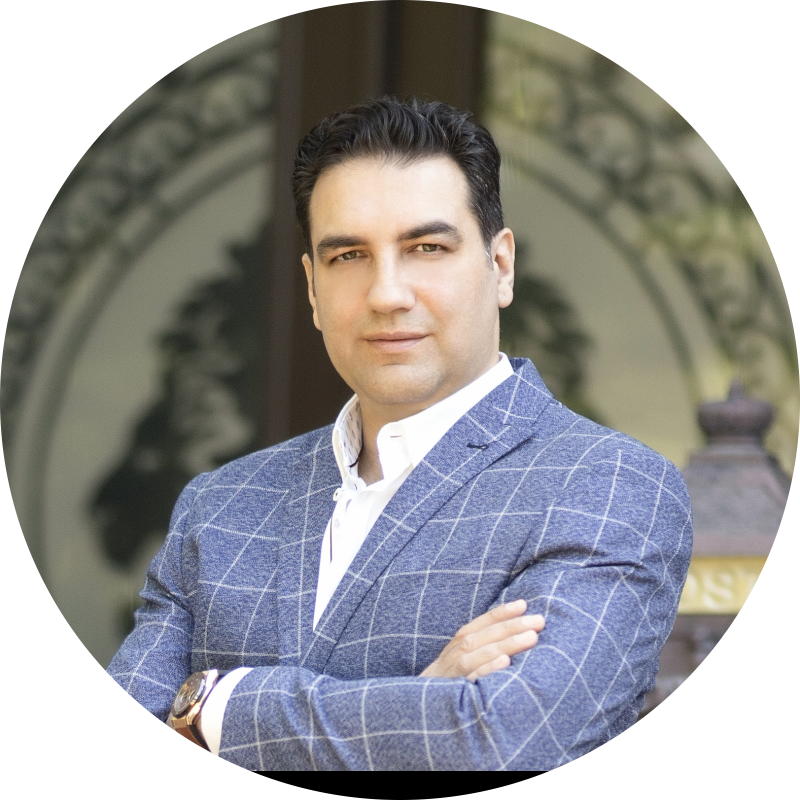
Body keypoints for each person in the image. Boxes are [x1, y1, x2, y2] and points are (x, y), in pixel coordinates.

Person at [58, 98, 692, 771]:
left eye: (427, 248)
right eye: (349, 255)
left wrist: (218, 708)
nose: (387, 293)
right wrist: (421, 704)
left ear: (500, 266)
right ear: (311, 287)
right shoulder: (220, 507)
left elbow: (497, 744)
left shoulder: (609, 487)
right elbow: (97, 756)